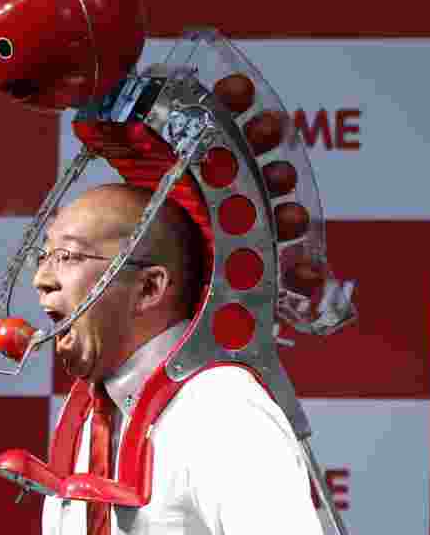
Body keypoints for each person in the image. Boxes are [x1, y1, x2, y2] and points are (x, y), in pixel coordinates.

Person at [34, 182, 324, 535]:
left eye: (66, 256)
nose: (41, 279)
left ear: (148, 288)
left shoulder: (223, 411)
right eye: (42, 256)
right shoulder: (88, 415)